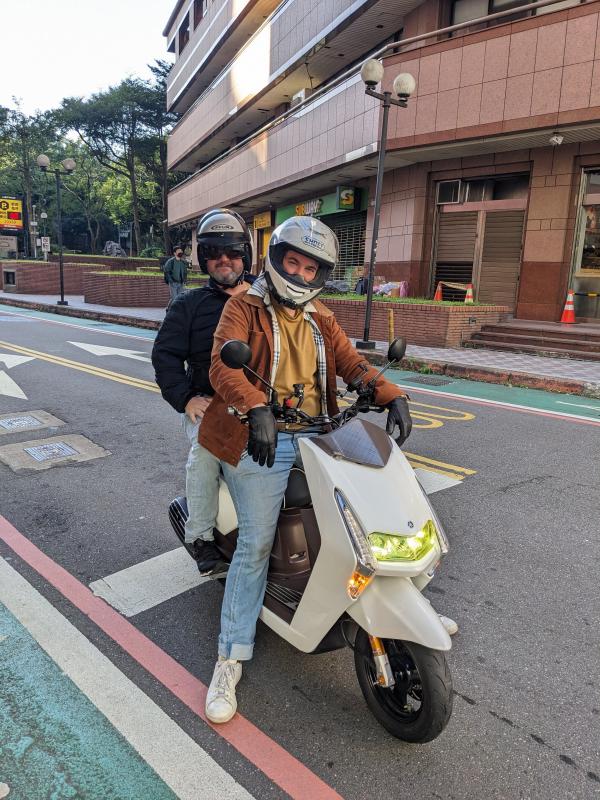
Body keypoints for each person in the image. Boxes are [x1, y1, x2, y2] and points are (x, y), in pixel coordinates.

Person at [198, 215, 457, 724]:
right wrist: (255, 409)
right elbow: (222, 366)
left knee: (375, 506)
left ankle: (399, 606)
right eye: (292, 261)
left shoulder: (321, 317)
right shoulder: (243, 306)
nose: (299, 272)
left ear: (321, 274)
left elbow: (352, 365)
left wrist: (392, 394)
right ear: (276, 261)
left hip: (319, 430)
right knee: (255, 542)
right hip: (261, 437)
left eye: (310, 266)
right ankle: (230, 656)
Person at [152, 209, 254, 574]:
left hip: (264, 405)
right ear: (202, 258)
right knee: (206, 453)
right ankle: (201, 537)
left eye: (233, 252)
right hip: (212, 407)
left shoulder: (266, 298)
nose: (224, 260)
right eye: (213, 253)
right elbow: (164, 356)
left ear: (247, 254)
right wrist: (185, 398)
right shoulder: (189, 305)